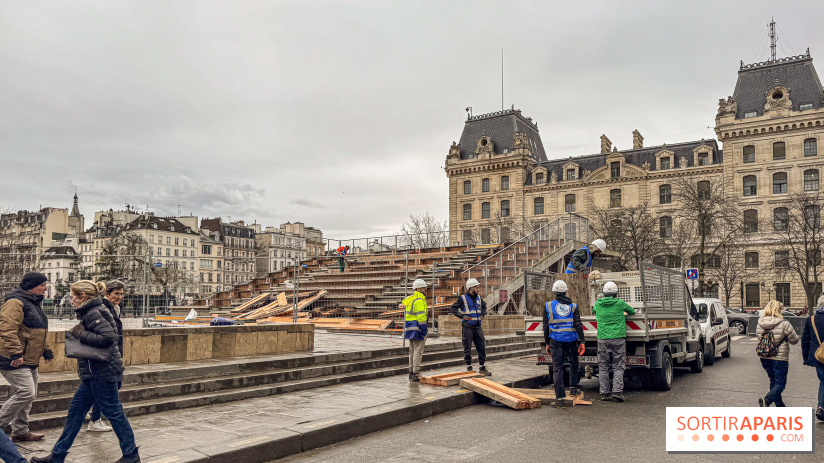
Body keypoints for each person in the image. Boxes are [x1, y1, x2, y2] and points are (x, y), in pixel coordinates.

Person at [31, 280, 139, 463]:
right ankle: (57, 456)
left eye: (73, 296)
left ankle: (131, 455)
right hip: (94, 372)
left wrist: (80, 333)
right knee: (76, 412)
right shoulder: (93, 311)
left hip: (101, 372)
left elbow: (109, 337)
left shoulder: (93, 312)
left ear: (82, 296)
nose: (71, 300)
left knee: (113, 412)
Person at [0, 272, 53, 443]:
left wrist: (46, 350)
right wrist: (16, 352)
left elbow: (38, 332)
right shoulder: (15, 302)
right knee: (26, 392)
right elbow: (7, 329)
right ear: (31, 286)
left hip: (30, 358)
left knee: (28, 394)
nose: (45, 288)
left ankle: (20, 431)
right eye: (42, 285)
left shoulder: (33, 302)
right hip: (14, 358)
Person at [87, 280, 126, 433]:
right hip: (107, 355)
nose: (120, 297)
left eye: (122, 294)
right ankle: (95, 419)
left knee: (103, 387)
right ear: (107, 294)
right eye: (116, 293)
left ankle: (91, 414)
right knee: (110, 386)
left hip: (112, 353)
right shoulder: (104, 308)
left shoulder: (115, 307)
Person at [543, 280, 585, 408]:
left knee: (557, 368)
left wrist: (547, 343)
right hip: (571, 340)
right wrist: (582, 341)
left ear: (554, 292)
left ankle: (560, 399)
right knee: (573, 363)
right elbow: (578, 324)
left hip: (555, 340)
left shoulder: (548, 306)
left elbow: (545, 326)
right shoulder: (573, 306)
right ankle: (573, 388)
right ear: (566, 291)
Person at [593, 281, 635, 402]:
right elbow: (631, 311)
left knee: (603, 366)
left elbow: (594, 311)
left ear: (604, 293)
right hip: (618, 338)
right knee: (618, 366)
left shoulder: (598, 304)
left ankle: (604, 393)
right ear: (616, 293)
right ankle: (617, 391)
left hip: (602, 338)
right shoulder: (620, 303)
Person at [756, 300, 800, 407]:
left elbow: (759, 338)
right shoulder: (784, 323)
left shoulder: (760, 323)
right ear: (778, 310)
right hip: (780, 358)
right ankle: (767, 400)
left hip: (765, 356)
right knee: (780, 383)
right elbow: (795, 340)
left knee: (773, 381)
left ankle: (780, 405)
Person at [449, 278, 490, 376]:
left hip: (477, 326)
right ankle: (469, 365)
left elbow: (484, 307)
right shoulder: (462, 298)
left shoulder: (479, 298)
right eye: (477, 287)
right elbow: (452, 308)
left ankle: (482, 366)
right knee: (467, 346)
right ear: (471, 288)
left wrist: (483, 315)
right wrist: (462, 316)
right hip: (467, 326)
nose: (478, 289)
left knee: (481, 346)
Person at [399, 279, 428, 382]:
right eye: (424, 288)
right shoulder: (419, 300)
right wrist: (424, 330)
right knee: (418, 352)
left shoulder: (411, 299)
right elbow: (421, 318)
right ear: (419, 289)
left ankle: (411, 372)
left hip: (410, 329)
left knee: (412, 351)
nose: (426, 289)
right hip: (418, 329)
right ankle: (416, 373)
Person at [801, 299, 824, 421]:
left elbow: (805, 340)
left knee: (823, 381)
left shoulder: (812, 320)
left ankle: (821, 407)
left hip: (819, 356)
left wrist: (806, 358)